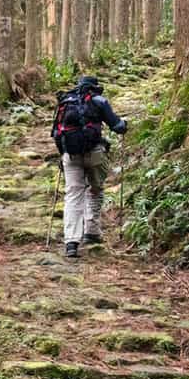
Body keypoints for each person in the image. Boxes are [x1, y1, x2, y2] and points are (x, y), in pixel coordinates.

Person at [52, 75, 127, 257]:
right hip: (95, 154)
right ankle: (91, 231)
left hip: (70, 155)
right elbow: (117, 126)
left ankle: (71, 241)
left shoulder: (66, 102)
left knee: (72, 195)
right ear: (95, 87)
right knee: (95, 189)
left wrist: (63, 154)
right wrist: (124, 124)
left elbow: (55, 132)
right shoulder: (99, 101)